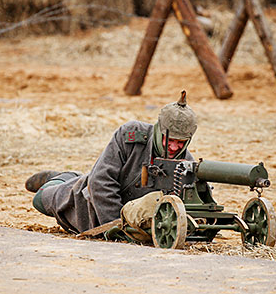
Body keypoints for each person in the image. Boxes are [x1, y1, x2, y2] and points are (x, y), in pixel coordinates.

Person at [25, 91, 197, 234]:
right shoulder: (131, 135)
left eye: (181, 142)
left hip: (137, 226)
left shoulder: (187, 163)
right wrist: (116, 227)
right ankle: (62, 178)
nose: (175, 147)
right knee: (40, 200)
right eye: (170, 140)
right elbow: (100, 181)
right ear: (160, 130)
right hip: (88, 207)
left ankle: (72, 177)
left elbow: (194, 207)